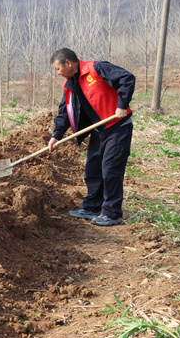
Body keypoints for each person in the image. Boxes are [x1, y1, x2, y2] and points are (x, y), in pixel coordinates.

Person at [47, 48, 135, 227]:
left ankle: (112, 213)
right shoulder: (69, 84)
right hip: (98, 129)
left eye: (58, 69)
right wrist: (56, 136)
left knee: (110, 169)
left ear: (68, 63)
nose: (57, 73)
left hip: (117, 126)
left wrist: (122, 105)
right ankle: (92, 207)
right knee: (93, 169)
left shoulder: (97, 69)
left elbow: (127, 78)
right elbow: (65, 112)